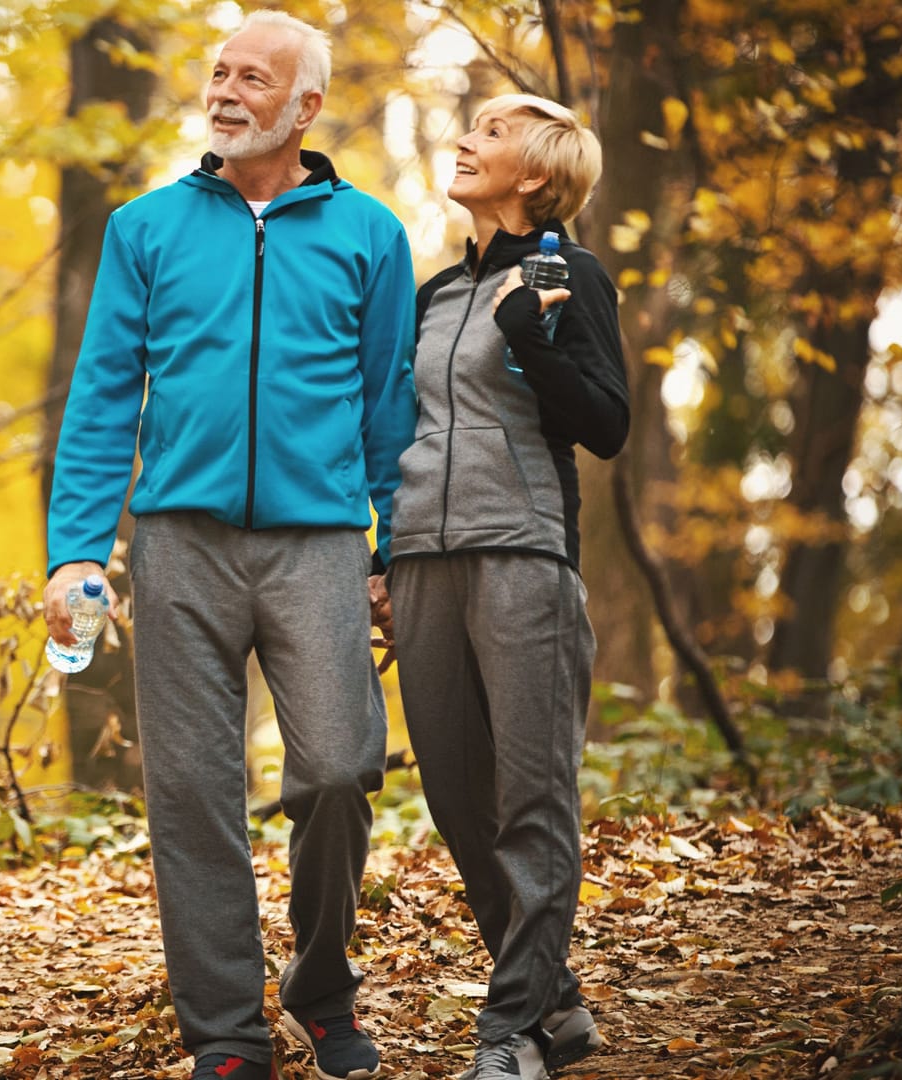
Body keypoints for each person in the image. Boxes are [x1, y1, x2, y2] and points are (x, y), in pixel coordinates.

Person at [42, 11, 415, 1080]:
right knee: (194, 793)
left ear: (304, 107)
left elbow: (388, 405)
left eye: (255, 77)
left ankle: (321, 984)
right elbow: (106, 395)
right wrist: (77, 549)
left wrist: (395, 552)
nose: (227, 90)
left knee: (341, 767)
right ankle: (224, 1035)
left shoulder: (370, 235)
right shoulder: (145, 227)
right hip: (178, 545)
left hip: (320, 546)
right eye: (218, 72)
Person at [375, 94, 628, 1080]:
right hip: (423, 567)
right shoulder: (437, 296)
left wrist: (530, 336)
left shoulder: (570, 280)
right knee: (455, 799)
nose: (465, 138)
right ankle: (556, 1002)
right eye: (467, 124)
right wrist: (380, 557)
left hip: (524, 555)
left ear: (538, 172)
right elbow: (403, 436)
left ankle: (511, 1028)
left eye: (491, 130)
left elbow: (605, 424)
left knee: (533, 798)